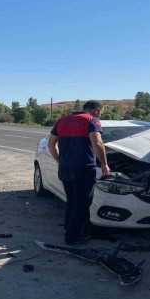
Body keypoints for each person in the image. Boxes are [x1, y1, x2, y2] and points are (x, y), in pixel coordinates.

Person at [47, 101, 110, 245]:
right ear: (96, 110)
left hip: (65, 168)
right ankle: (72, 237)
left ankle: (77, 230)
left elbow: (51, 144)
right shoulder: (91, 120)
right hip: (84, 168)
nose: (101, 115)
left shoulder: (62, 121)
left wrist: (59, 161)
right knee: (82, 203)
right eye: (101, 112)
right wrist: (105, 164)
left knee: (72, 201)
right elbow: (97, 143)